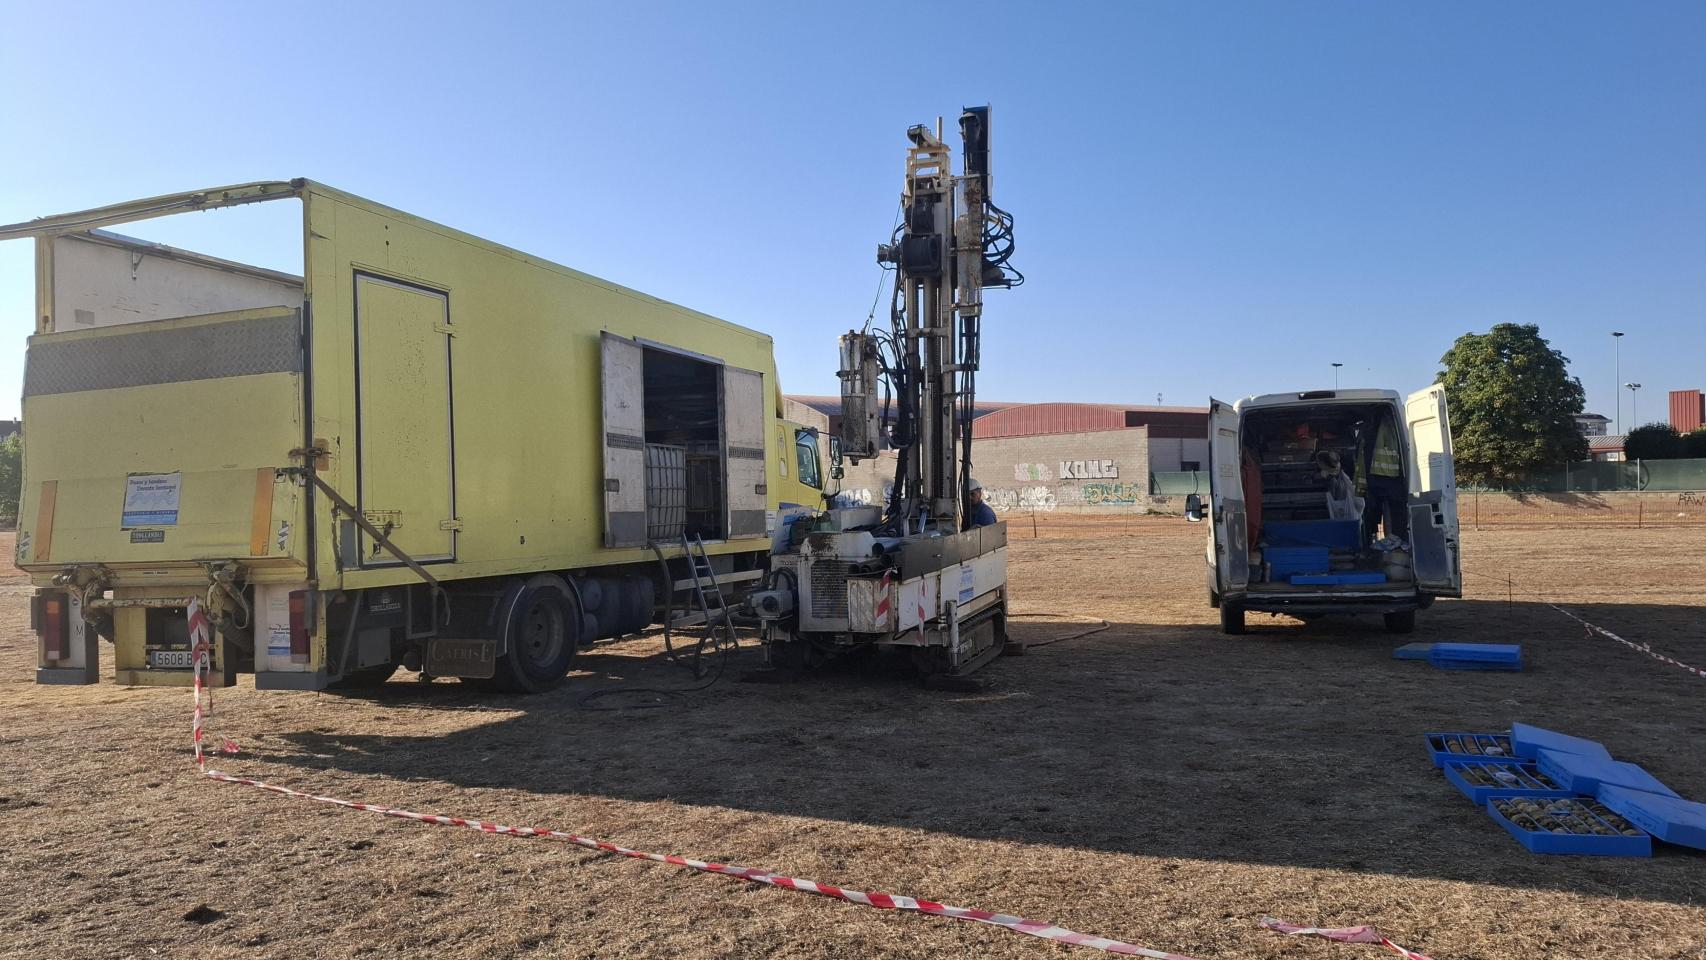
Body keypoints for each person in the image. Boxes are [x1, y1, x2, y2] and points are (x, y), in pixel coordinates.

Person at [1358, 411, 1409, 545]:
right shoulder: (1392, 422)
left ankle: (1373, 538)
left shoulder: (1371, 428)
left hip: (1379, 477)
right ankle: (1396, 537)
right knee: (1393, 506)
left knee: (1375, 507)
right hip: (1389, 476)